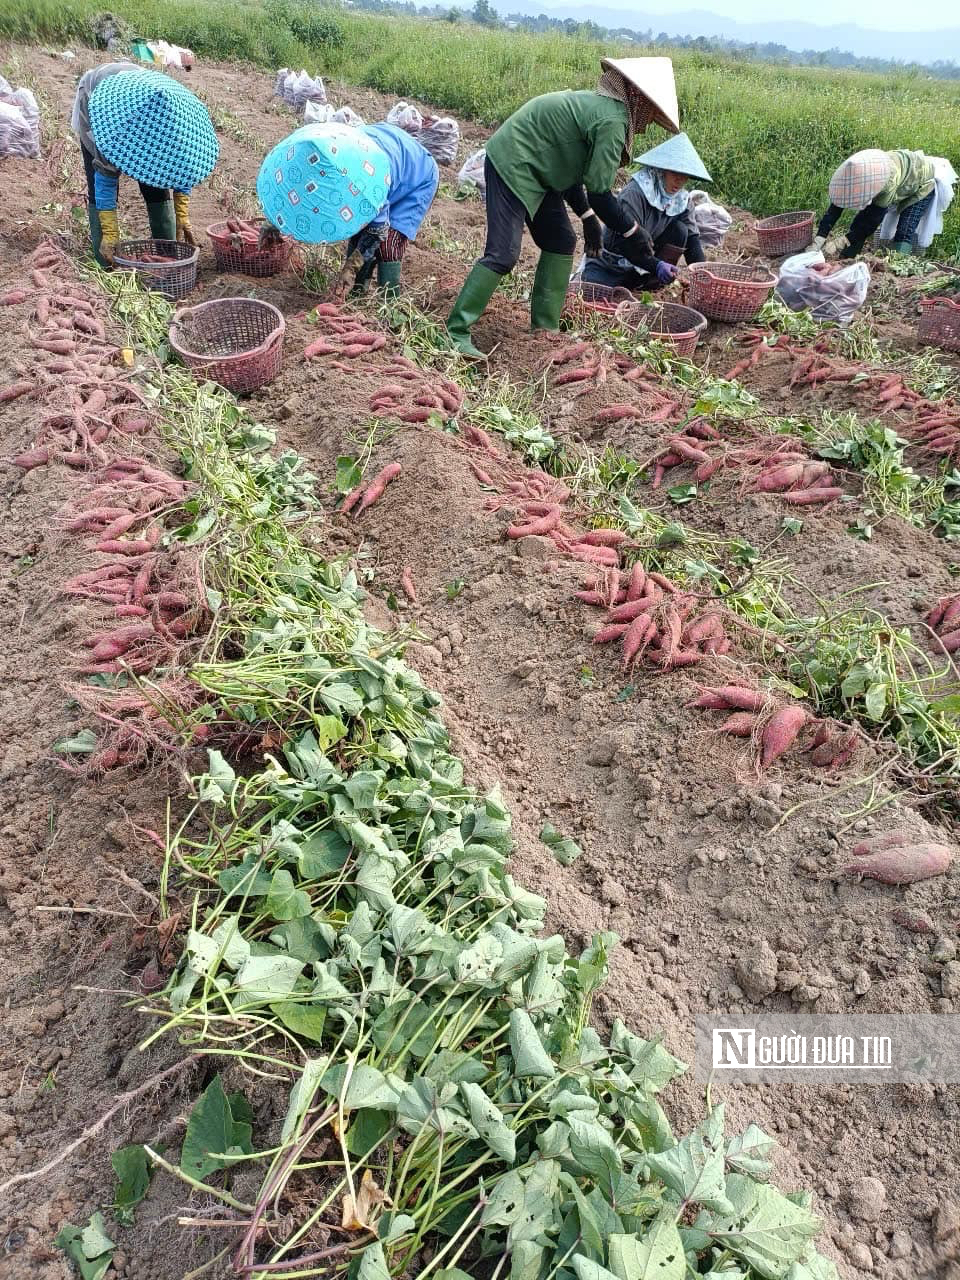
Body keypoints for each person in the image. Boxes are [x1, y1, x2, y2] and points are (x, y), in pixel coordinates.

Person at [444, 57, 680, 358]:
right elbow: (599, 194)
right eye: (650, 110)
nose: (648, 120)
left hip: (542, 169)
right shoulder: (613, 121)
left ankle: (545, 329)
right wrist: (633, 230)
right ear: (637, 97)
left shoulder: (605, 111)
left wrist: (587, 218)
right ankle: (456, 331)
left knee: (561, 240)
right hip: (515, 160)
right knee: (503, 254)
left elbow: (568, 167)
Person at [257, 120, 438, 297]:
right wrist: (273, 223)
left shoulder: (364, 184)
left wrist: (350, 269)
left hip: (417, 176)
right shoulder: (308, 162)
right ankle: (357, 292)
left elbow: (376, 231)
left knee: (388, 246)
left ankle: (391, 304)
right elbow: (293, 193)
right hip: (384, 144)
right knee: (358, 230)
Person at [71, 62, 218, 268]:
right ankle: (103, 263)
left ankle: (167, 253)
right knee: (98, 185)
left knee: (156, 183)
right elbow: (105, 176)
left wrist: (182, 212)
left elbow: (185, 166)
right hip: (98, 97)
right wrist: (111, 232)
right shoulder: (114, 130)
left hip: (142, 90)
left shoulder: (177, 126)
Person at [580, 132, 710, 292]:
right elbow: (627, 243)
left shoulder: (682, 199)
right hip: (615, 260)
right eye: (675, 174)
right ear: (661, 170)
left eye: (685, 177)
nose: (679, 181)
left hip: (646, 260)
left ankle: (651, 282)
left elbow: (692, 239)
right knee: (595, 293)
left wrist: (703, 277)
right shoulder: (635, 193)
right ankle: (646, 274)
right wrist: (657, 265)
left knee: (681, 230)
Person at [814, 149, 936, 258]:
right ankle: (847, 257)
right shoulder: (852, 172)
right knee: (859, 221)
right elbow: (836, 205)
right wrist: (820, 236)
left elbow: (872, 222)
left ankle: (898, 266)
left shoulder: (887, 183)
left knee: (905, 229)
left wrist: (843, 241)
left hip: (922, 181)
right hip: (901, 168)